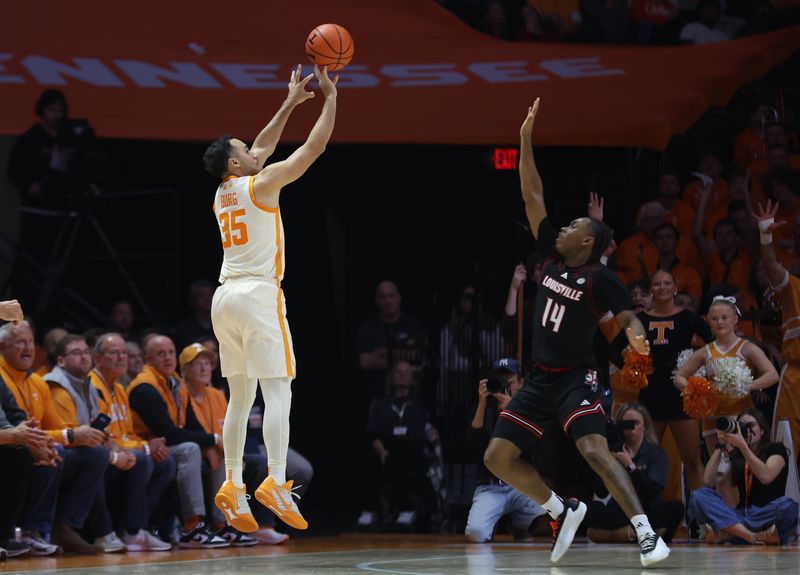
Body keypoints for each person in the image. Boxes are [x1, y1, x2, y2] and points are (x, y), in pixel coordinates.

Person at [484, 100, 670, 567]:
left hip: (576, 379)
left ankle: (647, 534)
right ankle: (560, 508)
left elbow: (626, 314)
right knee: (497, 457)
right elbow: (532, 194)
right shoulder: (548, 256)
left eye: (573, 226)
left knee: (593, 448)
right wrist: (524, 139)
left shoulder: (598, 277)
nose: (562, 227)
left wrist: (635, 336)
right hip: (540, 378)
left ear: (587, 241)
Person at [203, 63, 337, 533]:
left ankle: (233, 483)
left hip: (224, 300)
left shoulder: (223, 193)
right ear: (237, 164)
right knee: (279, 389)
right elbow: (313, 147)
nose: (254, 149)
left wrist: (289, 103)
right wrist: (330, 98)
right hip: (258, 293)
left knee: (240, 398)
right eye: (244, 150)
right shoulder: (261, 184)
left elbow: (260, 145)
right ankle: (276, 480)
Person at [0, 321, 108, 555]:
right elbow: (14, 427)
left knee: (92, 453)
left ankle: (57, 528)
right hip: (11, 448)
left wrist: (46, 442)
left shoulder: (36, 381)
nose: (28, 348)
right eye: (20, 342)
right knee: (38, 452)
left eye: (30, 341)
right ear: (2, 346)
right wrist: (58, 437)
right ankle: (15, 532)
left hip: (24, 444)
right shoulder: (5, 376)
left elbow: (51, 427)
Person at [612, 270, 713, 491]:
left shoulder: (688, 317)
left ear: (675, 288)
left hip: (682, 398)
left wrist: (700, 370)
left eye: (667, 283)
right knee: (642, 460)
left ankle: (701, 519)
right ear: (651, 290)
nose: (662, 287)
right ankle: (644, 517)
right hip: (650, 399)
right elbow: (613, 349)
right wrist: (633, 371)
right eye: (657, 284)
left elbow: (714, 344)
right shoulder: (640, 320)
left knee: (693, 461)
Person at [127, 335, 228, 549]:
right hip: (147, 448)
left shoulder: (175, 383)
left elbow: (192, 424)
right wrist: (212, 438)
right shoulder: (144, 387)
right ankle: (192, 526)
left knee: (220, 452)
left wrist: (211, 444)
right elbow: (169, 433)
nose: (167, 358)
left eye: (170, 352)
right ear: (148, 360)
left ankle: (222, 523)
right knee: (190, 449)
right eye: (160, 354)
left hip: (168, 446)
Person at [90, 333, 175, 551]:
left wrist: (149, 444)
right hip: (107, 454)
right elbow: (107, 437)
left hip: (125, 450)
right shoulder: (92, 386)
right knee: (143, 458)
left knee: (165, 462)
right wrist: (146, 447)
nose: (121, 358)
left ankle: (135, 529)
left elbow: (127, 433)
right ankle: (133, 531)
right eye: (114, 353)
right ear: (98, 358)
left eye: (123, 353)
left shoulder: (119, 388)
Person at [673, 296, 779, 457]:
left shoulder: (746, 347)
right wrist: (697, 392)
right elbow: (678, 377)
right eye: (714, 318)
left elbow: (772, 375)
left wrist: (747, 385)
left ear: (735, 320)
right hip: (712, 419)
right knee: (719, 473)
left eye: (724, 317)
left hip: (742, 416)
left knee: (742, 469)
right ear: (708, 321)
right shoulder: (705, 351)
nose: (720, 322)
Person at [465, 358, 546, 543]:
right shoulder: (482, 406)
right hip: (490, 486)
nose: (503, 386)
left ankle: (519, 525)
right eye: (499, 381)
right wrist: (481, 405)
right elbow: (472, 445)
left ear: (521, 383)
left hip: (521, 485)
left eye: (509, 383)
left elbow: (533, 449)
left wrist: (512, 412)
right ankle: (492, 525)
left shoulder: (528, 409)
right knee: (476, 533)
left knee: (545, 516)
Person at [688, 408, 798, 544]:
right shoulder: (736, 454)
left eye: (751, 425)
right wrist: (720, 446)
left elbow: (766, 476)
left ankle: (729, 532)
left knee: (788, 506)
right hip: (742, 513)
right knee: (699, 496)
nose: (746, 430)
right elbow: (709, 479)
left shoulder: (776, 449)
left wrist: (742, 446)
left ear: (762, 430)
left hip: (767, 513)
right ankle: (754, 536)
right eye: (742, 426)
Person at [585, 403, 684, 544]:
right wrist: (606, 462)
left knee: (676, 508)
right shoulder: (612, 453)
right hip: (620, 510)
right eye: (627, 424)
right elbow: (601, 492)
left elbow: (653, 494)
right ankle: (644, 532)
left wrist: (630, 466)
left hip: (647, 509)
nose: (631, 429)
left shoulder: (655, 453)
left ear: (645, 426)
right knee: (587, 508)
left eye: (636, 423)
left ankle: (622, 533)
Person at [755, 200, 800, 466]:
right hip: (796, 376)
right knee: (787, 448)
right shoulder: (793, 288)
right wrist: (765, 233)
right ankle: (786, 506)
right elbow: (771, 265)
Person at [358, 280, 429, 401]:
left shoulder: (413, 325)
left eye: (391, 296)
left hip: (411, 397)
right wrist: (401, 358)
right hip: (378, 395)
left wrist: (380, 353)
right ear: (377, 301)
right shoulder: (368, 328)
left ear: (399, 298)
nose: (387, 301)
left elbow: (415, 355)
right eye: (383, 297)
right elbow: (365, 362)